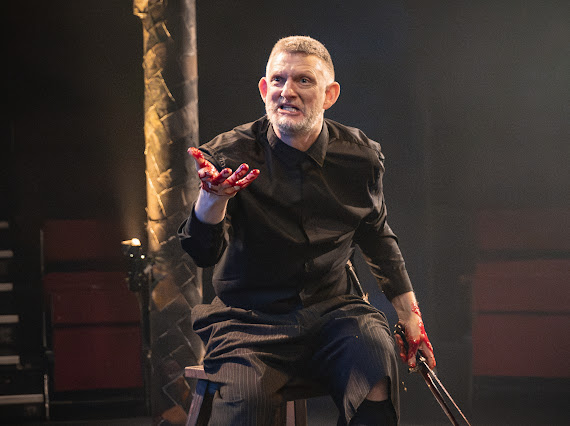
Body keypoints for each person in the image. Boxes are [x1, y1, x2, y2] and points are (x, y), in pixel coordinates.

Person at [178, 35, 436, 425]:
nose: (288, 92)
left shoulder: (360, 157)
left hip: (334, 313)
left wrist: (410, 317)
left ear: (329, 94)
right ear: (264, 89)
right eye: (278, 80)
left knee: (374, 363)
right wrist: (213, 199)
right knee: (246, 405)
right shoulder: (229, 155)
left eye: (304, 80)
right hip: (248, 323)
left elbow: (377, 238)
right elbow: (201, 253)